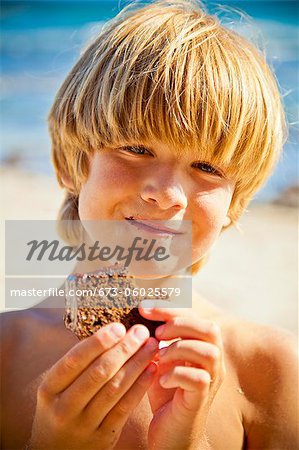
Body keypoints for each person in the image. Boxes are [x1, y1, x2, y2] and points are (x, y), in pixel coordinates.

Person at [1, 1, 298, 449]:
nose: (168, 193)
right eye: (137, 148)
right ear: (73, 163)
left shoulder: (272, 368)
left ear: (234, 204)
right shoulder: (6, 354)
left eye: (208, 167)